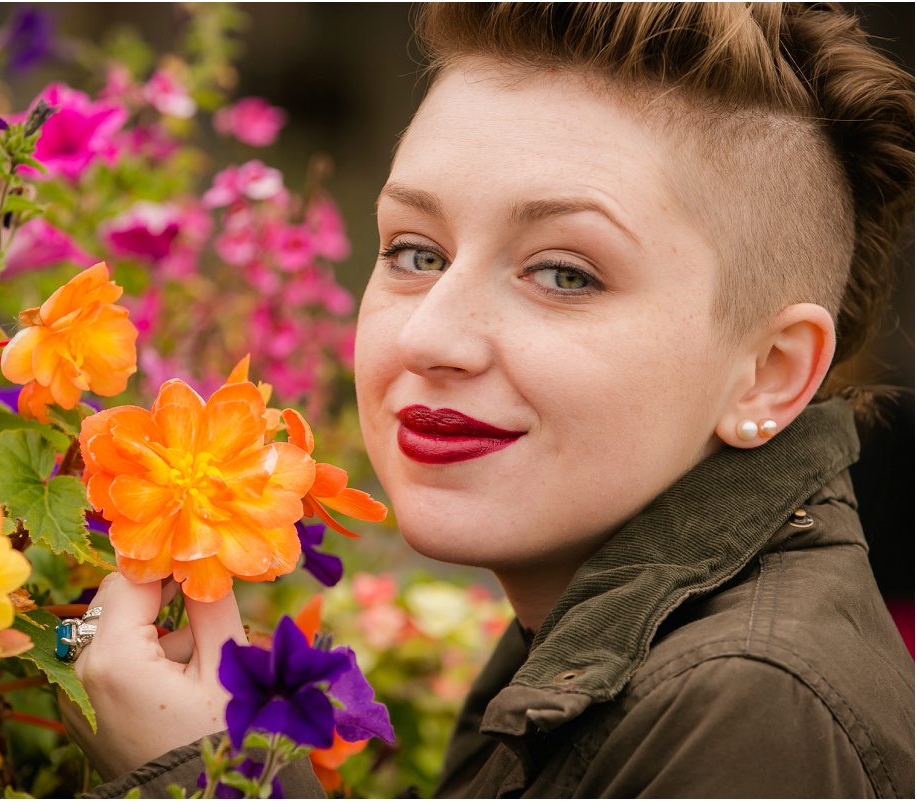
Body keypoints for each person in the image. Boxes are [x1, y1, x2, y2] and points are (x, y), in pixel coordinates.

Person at [60, 3, 915, 797]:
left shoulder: (752, 710)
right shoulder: (593, 646)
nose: (432, 337)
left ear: (768, 371)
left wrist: (200, 779)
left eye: (563, 273)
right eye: (416, 252)